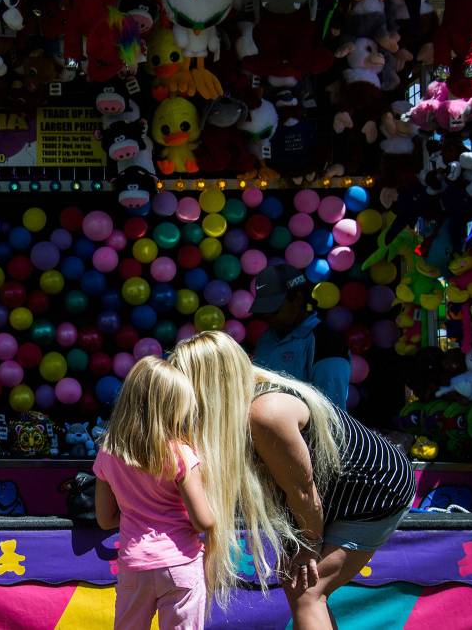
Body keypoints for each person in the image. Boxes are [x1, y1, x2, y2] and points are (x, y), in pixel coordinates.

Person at [169, 331, 416, 630]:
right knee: (300, 584)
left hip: (376, 489)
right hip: (330, 492)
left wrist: (310, 544)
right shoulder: (244, 410)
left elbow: (303, 493)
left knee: (307, 591)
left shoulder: (266, 412)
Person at [93, 356, 216, 630]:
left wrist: (139, 513)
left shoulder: (108, 453)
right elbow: (203, 521)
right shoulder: (180, 454)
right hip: (180, 562)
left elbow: (105, 519)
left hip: (133, 565)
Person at [250, 264, 352, 409]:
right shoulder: (266, 338)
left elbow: (333, 414)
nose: (267, 316)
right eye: (263, 311)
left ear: (297, 299)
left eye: (273, 309)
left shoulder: (327, 343)